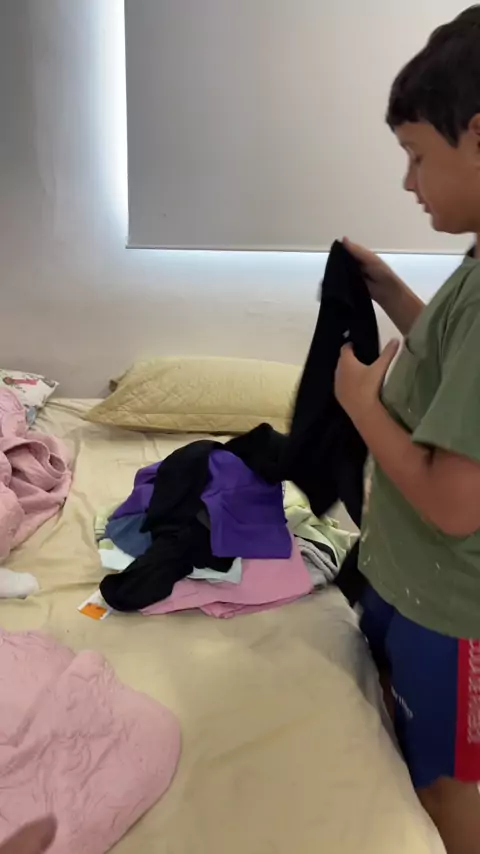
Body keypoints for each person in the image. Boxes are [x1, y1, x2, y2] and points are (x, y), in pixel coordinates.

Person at [334, 6, 480, 854]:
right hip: (406, 582)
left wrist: (362, 406)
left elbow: (456, 506)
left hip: (450, 609)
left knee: (446, 781)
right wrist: (392, 294)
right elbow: (456, 373)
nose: (407, 182)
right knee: (408, 745)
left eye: (417, 155)